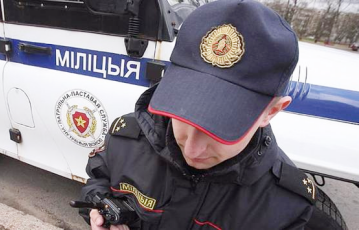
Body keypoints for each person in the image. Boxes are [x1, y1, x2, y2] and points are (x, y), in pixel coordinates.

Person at [79, 0, 316, 229]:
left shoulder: (285, 205)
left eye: (218, 129)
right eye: (183, 114)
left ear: (271, 111)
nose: (191, 150)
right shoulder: (127, 139)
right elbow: (98, 181)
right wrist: (98, 208)